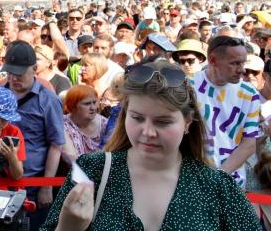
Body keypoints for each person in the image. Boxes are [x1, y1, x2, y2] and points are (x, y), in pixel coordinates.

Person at [41, 60, 261, 231]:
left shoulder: (216, 187)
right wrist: (66, 227)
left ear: (187, 122)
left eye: (163, 122)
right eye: (137, 118)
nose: (147, 132)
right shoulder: (91, 171)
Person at [3, 40, 65, 231]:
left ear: (34, 69)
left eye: (20, 73)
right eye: (10, 72)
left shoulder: (48, 100)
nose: (14, 78)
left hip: (33, 186)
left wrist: (46, 187)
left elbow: (56, 144)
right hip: (0, 183)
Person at [191, 35, 261, 188]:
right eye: (235, 63)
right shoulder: (189, 87)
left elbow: (249, 143)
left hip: (231, 182)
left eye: (243, 63)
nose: (242, 70)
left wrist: (221, 175)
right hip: (193, 179)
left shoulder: (249, 93)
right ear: (213, 60)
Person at [61, 85, 107, 165]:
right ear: (73, 106)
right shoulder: (63, 124)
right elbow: (71, 157)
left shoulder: (104, 124)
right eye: (87, 104)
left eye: (94, 102)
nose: (93, 108)